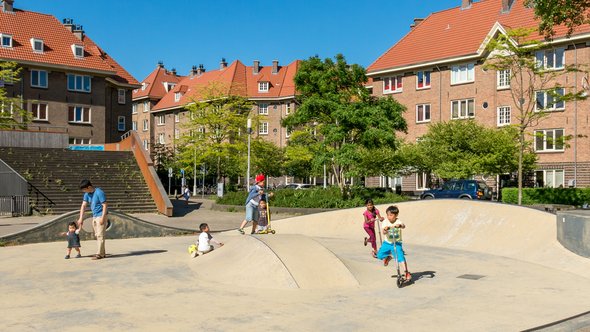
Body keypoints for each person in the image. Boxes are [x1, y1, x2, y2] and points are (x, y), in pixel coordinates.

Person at [377, 205, 411, 281]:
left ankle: (406, 272)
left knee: (400, 257)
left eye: (391, 215)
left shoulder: (398, 221)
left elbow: (403, 226)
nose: (389, 217)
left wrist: (400, 225)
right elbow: (383, 232)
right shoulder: (385, 221)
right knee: (379, 255)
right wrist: (385, 229)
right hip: (387, 243)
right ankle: (388, 257)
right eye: (388, 215)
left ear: (396, 215)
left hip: (397, 243)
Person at [76, 179, 108, 260]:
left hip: (101, 215)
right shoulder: (87, 194)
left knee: (100, 235)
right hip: (95, 216)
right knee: (97, 235)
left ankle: (99, 254)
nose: (84, 191)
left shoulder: (99, 192)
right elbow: (83, 205)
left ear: (89, 187)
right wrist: (80, 218)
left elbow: (104, 205)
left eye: (84, 189)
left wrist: (103, 218)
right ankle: (102, 253)